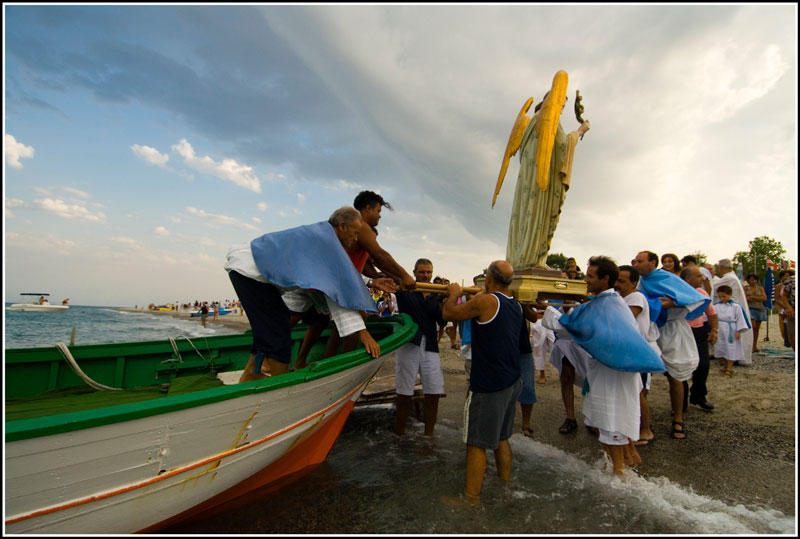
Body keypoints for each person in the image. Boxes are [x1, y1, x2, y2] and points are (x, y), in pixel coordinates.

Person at [225, 206, 382, 383]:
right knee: (278, 334)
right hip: (250, 272)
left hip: (252, 271)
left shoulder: (321, 236)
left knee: (274, 326)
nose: (355, 239)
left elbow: (337, 281)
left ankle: (252, 373)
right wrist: (363, 332)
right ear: (342, 226)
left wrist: (371, 282)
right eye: (354, 233)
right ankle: (280, 385)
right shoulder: (326, 243)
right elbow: (336, 289)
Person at [542, 256, 664, 476]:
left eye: (590, 276)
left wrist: (543, 308)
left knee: (611, 421)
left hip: (613, 373)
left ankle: (619, 475)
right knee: (608, 420)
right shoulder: (608, 302)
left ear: (605, 279)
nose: (585, 280)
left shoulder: (608, 304)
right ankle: (624, 462)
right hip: (611, 369)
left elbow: (569, 326)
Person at [441, 260, 524, 502]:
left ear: (489, 278)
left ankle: (470, 498)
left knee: (475, 442)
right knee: (501, 438)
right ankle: (504, 483)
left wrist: (454, 294)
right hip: (511, 378)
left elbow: (448, 313)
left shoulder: (485, 301)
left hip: (489, 383)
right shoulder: (515, 305)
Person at [498, 84, 591, 269]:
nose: (562, 107)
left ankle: (519, 257)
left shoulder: (528, 123)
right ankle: (533, 258)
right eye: (561, 102)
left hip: (527, 180)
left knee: (525, 214)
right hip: (542, 181)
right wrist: (580, 131)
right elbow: (562, 145)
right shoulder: (550, 119)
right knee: (538, 214)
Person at [632, 251, 709, 441]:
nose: (636, 264)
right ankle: (642, 422)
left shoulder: (666, 278)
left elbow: (690, 299)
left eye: (640, 261)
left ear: (652, 263)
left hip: (673, 330)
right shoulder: (639, 281)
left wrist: (664, 304)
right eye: (634, 261)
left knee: (676, 377)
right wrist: (657, 304)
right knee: (643, 376)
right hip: (649, 329)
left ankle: (678, 419)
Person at [393, 259, 446, 436]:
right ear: (414, 272)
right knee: (404, 391)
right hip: (409, 343)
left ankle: (428, 435)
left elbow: (442, 321)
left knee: (434, 391)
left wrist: (444, 300)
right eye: (422, 272)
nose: (426, 275)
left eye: (429, 272)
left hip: (430, 344)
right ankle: (399, 434)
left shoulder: (434, 295)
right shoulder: (405, 289)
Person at [615, 265, 660, 445]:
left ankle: (645, 431)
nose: (617, 284)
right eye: (616, 280)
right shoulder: (619, 297)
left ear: (634, 283)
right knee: (630, 391)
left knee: (639, 392)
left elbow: (623, 319)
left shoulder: (637, 297)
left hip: (639, 352)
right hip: (627, 351)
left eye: (622, 281)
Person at [680, 266, 719, 410]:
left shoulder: (701, 293)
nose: (702, 279)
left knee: (703, 365)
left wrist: (714, 330)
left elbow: (712, 313)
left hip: (698, 332)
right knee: (681, 366)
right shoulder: (675, 293)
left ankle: (698, 395)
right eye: (698, 276)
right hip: (681, 332)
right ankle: (680, 401)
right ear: (688, 278)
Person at [712, 259, 753, 366]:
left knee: (730, 342)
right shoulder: (732, 277)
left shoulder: (729, 278)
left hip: (731, 313)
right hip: (727, 314)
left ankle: (731, 360)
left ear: (721, 267)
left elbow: (713, 287)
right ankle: (727, 360)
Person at [714, 285, 750, 377]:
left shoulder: (736, 307)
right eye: (720, 296)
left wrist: (739, 331)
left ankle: (729, 369)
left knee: (731, 348)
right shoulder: (716, 306)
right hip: (720, 328)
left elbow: (740, 319)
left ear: (730, 295)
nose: (722, 298)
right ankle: (725, 365)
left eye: (724, 296)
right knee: (721, 347)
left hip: (731, 329)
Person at [744, 273, 768, 353]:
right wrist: (757, 298)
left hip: (759, 309)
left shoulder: (760, 288)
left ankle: (754, 346)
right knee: (753, 326)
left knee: (757, 328)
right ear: (748, 280)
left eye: (754, 279)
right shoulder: (745, 288)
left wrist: (753, 298)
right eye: (751, 279)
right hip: (750, 309)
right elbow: (745, 298)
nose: (753, 281)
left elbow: (764, 298)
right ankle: (749, 345)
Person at [775, 271, 795, 350]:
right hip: (792, 310)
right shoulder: (791, 280)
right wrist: (788, 307)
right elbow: (783, 296)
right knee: (792, 334)